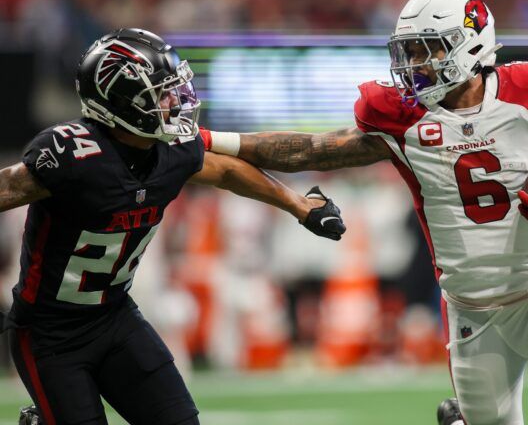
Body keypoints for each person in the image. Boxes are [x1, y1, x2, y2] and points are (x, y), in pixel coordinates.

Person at [201, 0, 528, 425]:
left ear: (469, 44)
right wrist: (211, 138)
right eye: (409, 50)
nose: (413, 63)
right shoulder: (403, 120)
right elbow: (307, 149)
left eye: (425, 48)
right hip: (474, 312)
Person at [0, 27, 346, 425]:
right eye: (160, 92)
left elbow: (227, 171)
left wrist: (300, 206)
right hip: (49, 333)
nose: (173, 101)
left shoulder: (170, 150)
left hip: (113, 317)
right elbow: (8, 187)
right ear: (122, 101)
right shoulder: (72, 157)